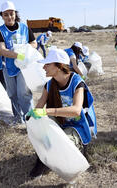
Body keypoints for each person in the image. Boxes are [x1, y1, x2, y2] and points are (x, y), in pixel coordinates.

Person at [26, 48, 97, 178]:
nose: (43, 67)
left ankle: (78, 149)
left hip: (76, 126)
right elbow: (39, 107)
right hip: (60, 123)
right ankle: (41, 160)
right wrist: (32, 115)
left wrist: (46, 111)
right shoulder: (49, 85)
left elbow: (76, 111)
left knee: (62, 147)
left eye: (47, 64)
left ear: (58, 66)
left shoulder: (76, 82)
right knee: (40, 130)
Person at [0, 1, 37, 123]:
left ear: (15, 14)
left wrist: (26, 53)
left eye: (11, 14)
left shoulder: (24, 28)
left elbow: (34, 43)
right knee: (12, 94)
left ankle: (31, 119)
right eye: (5, 15)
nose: (9, 17)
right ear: (2, 16)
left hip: (24, 67)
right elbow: (2, 50)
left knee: (24, 94)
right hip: (9, 67)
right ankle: (18, 119)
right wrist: (20, 55)